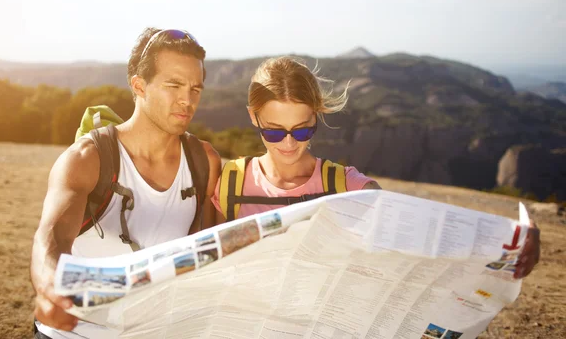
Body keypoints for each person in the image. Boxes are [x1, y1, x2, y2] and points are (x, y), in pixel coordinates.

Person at [212, 56, 540, 279]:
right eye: (273, 130)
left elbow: (421, 229)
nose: (288, 143)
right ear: (253, 117)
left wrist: (514, 238)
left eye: (302, 130)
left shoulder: (346, 185)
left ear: (316, 117)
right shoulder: (229, 184)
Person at [30, 28, 222, 339]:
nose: (187, 100)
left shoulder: (204, 160)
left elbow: (210, 252)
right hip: (76, 333)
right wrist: (50, 286)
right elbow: (52, 235)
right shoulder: (88, 158)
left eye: (195, 88)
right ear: (139, 86)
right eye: (173, 85)